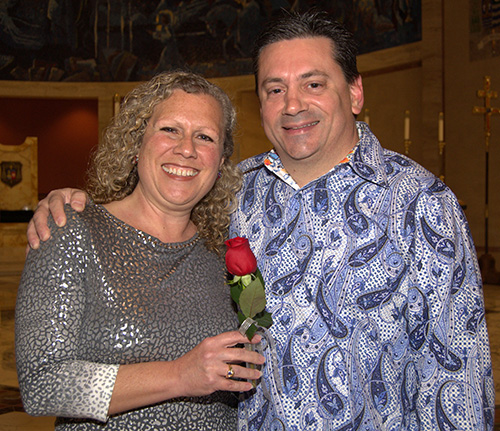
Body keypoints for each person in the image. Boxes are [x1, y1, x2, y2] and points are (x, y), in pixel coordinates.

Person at [26, 9, 495, 431]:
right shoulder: (235, 195)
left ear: (354, 92)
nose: (293, 104)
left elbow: (457, 373)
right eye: (275, 89)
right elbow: (159, 200)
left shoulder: (419, 202)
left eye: (313, 84)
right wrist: (76, 201)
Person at [15, 70, 265, 430]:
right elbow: (42, 384)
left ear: (221, 162)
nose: (187, 149)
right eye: (170, 129)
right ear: (136, 144)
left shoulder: (224, 250)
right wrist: (180, 375)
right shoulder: (72, 230)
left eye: (205, 136)